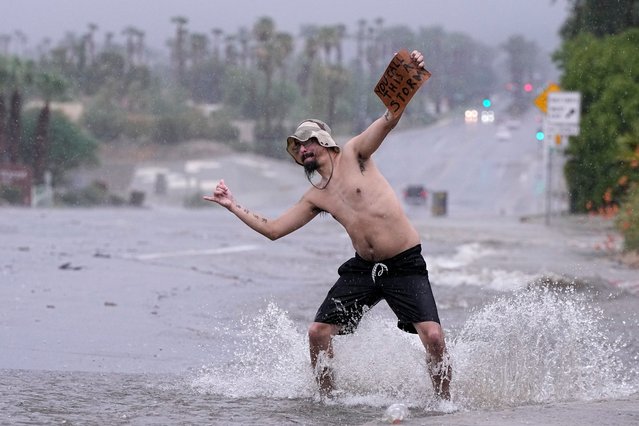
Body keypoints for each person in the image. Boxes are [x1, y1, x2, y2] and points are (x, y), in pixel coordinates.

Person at [204, 50, 451, 399]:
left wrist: (411, 73)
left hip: (404, 264)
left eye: (307, 141)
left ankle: (445, 404)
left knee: (434, 337)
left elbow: (390, 117)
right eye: (297, 146)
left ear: (325, 141)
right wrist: (232, 206)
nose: (302, 149)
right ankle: (327, 399)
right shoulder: (316, 195)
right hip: (364, 269)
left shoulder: (356, 153)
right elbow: (274, 230)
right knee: (318, 332)